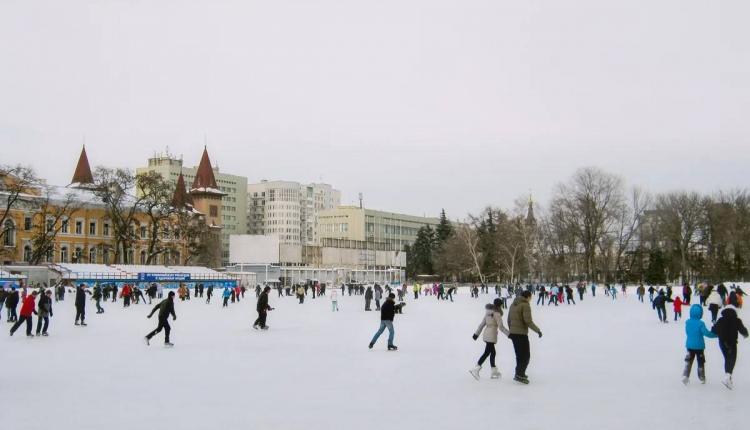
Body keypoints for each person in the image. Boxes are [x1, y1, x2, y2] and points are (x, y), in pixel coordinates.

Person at [507, 291, 542, 384]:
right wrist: (538, 330)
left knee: (519, 355)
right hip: (521, 334)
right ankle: (519, 374)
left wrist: (511, 330)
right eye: (531, 297)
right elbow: (528, 321)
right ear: (528, 297)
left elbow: (508, 319)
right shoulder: (525, 305)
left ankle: (519, 373)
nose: (531, 299)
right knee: (526, 355)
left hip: (513, 334)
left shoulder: (513, 304)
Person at [470, 298, 509, 380]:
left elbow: (481, 324)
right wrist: (509, 334)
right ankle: (476, 369)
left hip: (486, 334)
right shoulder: (497, 313)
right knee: (487, 353)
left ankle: (494, 372)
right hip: (491, 335)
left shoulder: (488, 313)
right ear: (499, 305)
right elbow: (501, 327)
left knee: (492, 352)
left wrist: (476, 334)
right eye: (501, 305)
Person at [712, 307, 749, 389]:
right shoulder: (737, 320)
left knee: (727, 359)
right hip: (732, 343)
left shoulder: (721, 320)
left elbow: (714, 330)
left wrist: (718, 331)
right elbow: (743, 330)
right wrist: (745, 334)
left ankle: (728, 377)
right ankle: (728, 377)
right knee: (732, 359)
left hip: (723, 343)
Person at [682, 304, 717, 385]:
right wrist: (715, 335)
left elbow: (687, 332)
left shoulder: (688, 322)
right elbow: (706, 333)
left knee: (689, 361)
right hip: (699, 346)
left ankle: (685, 375)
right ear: (700, 313)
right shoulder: (701, 323)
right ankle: (701, 377)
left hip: (689, 345)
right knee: (700, 361)